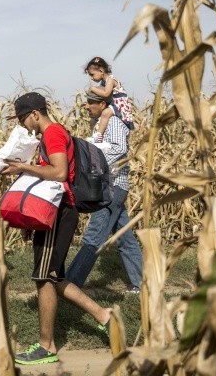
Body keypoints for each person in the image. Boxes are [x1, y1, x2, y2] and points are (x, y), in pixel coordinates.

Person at [0, 92, 112, 366]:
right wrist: (31, 219)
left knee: (43, 278)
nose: (24, 126)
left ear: (35, 113)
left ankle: (46, 345)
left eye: (24, 119)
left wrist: (22, 167)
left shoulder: (52, 134)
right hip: (52, 212)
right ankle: (104, 316)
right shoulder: (48, 137)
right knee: (54, 277)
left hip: (61, 213)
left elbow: (59, 173)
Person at [66, 89, 143, 294]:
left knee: (94, 236)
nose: (87, 106)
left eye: (91, 103)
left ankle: (72, 283)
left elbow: (119, 149)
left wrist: (96, 165)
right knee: (124, 237)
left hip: (113, 186)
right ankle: (142, 285)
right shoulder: (99, 125)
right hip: (111, 186)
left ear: (103, 105)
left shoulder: (114, 123)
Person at [85, 56, 134, 142]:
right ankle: (96, 134)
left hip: (119, 104)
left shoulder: (110, 80)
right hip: (114, 103)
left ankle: (98, 135)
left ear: (101, 71)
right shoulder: (104, 82)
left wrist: (92, 88)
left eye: (92, 75)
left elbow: (106, 93)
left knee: (105, 113)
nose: (92, 78)